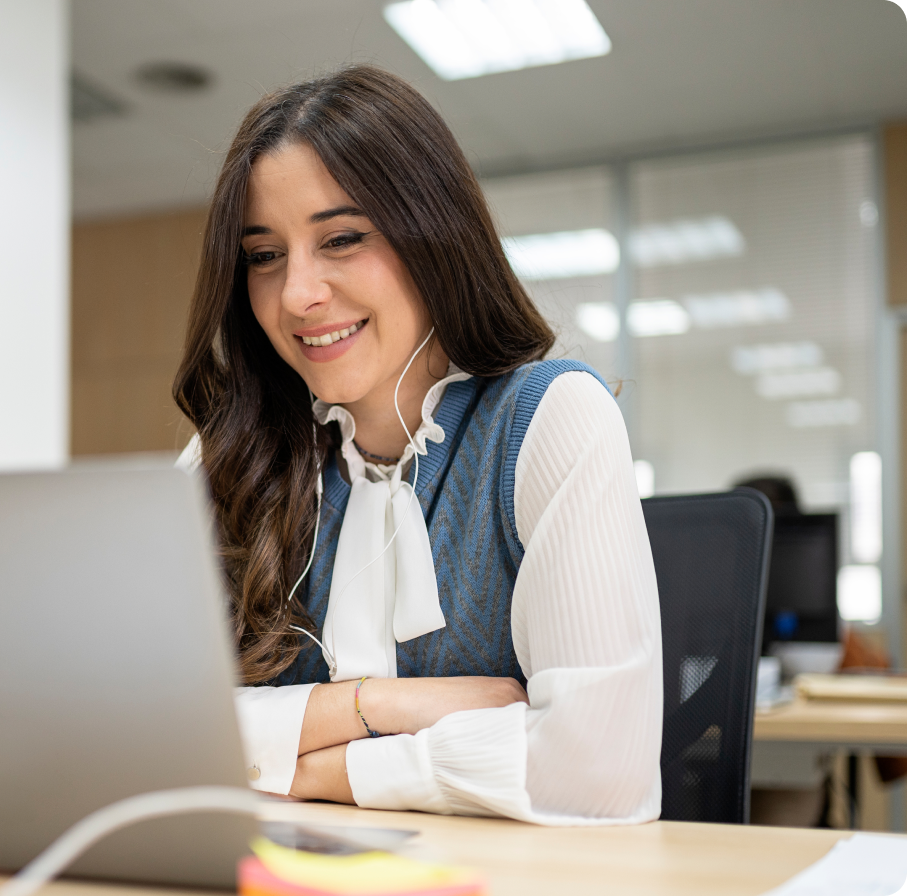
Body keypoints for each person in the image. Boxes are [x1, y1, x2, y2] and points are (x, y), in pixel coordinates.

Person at [173, 65, 662, 824]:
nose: (297, 293)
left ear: (434, 232)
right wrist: (384, 706)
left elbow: (598, 776)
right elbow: (142, 737)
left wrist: (303, 768)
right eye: (264, 255)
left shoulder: (551, 419)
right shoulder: (226, 455)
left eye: (341, 238)